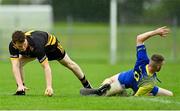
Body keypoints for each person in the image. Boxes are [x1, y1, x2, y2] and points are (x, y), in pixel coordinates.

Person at [80, 26, 173, 97]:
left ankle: (104, 87)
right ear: (157, 67)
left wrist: (156, 32)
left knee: (110, 81)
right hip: (135, 84)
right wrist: (140, 94)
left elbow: (139, 38)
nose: (162, 66)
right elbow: (136, 97)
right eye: (161, 65)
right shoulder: (150, 82)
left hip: (127, 78)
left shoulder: (143, 60)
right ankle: (114, 91)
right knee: (170, 94)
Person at [9, 30, 92, 96]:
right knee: (18, 63)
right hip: (33, 50)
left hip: (51, 46)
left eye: (24, 44)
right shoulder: (12, 46)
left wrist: (49, 87)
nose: (23, 48)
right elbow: (15, 66)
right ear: (14, 43)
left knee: (69, 64)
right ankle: (21, 89)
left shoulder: (36, 45)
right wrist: (19, 85)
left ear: (26, 40)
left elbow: (46, 67)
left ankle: (88, 87)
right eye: (20, 46)